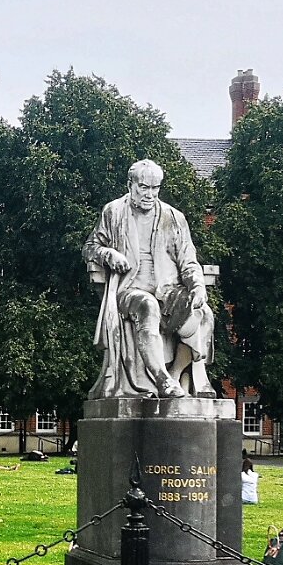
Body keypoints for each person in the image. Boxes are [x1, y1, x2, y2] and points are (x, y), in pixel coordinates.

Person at [83, 158, 217, 398]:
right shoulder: (114, 212)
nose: (149, 194)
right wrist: (108, 254)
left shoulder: (174, 217)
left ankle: (174, 375)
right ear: (130, 185)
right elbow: (90, 247)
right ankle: (161, 379)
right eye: (144, 187)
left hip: (168, 290)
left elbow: (188, 260)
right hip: (130, 290)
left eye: (155, 188)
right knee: (148, 306)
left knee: (203, 313)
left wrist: (197, 287)